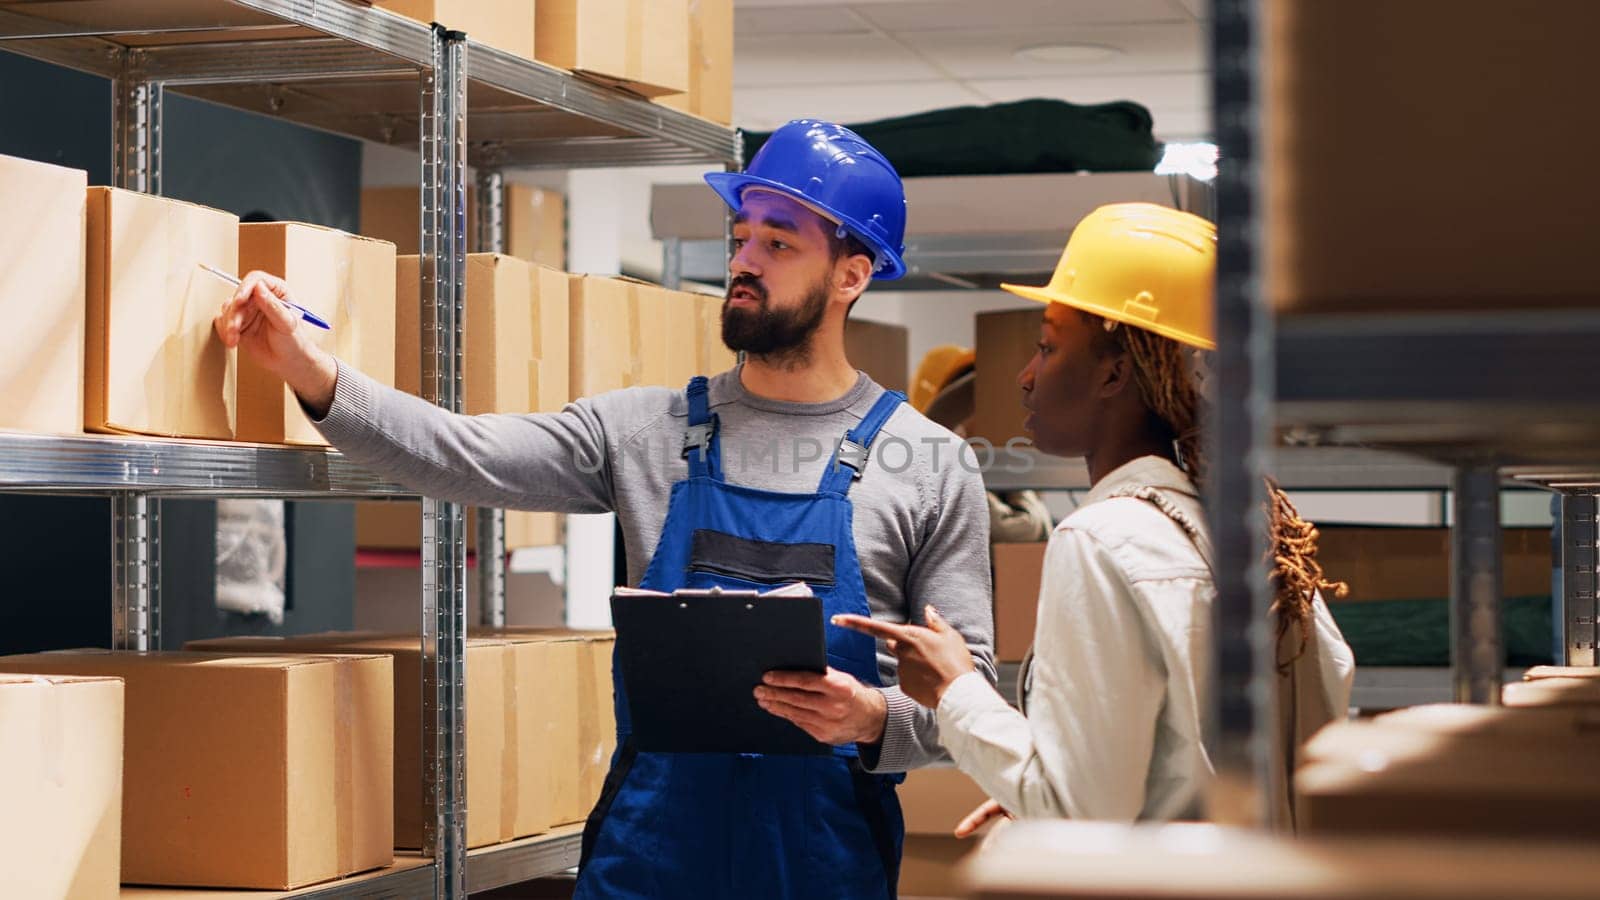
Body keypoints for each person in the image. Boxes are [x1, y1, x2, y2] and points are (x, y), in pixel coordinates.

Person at [213, 119, 995, 899]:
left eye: (778, 244)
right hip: (651, 862)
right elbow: (457, 452)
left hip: (824, 870)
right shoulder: (642, 432)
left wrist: (870, 719)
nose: (744, 262)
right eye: (741, 235)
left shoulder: (927, 464)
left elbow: (973, 703)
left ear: (852, 275)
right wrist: (308, 369)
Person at [838, 202, 1354, 831]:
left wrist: (955, 689)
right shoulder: (1252, 537)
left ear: (1114, 373)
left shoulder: (1103, 540)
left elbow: (1082, 814)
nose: (1026, 378)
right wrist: (1037, 776)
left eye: (1047, 347)